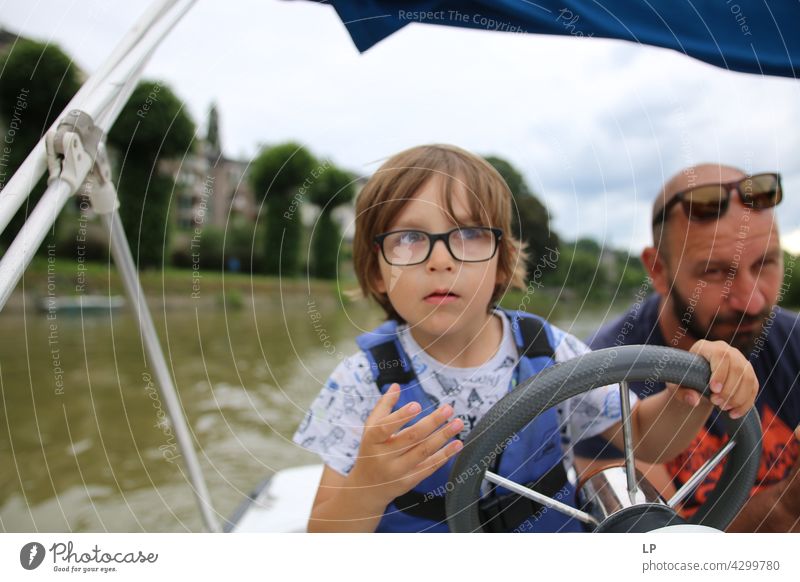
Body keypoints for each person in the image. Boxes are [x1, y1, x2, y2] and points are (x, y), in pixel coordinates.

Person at [292, 145, 757, 533]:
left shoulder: (547, 350)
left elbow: (645, 440)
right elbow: (322, 538)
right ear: (377, 270)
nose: (440, 260)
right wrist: (368, 483)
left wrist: (685, 395)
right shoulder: (361, 385)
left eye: (469, 234)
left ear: (502, 261)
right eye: (409, 237)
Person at [574, 163, 800, 532]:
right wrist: (789, 502)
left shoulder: (794, 341)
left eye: (766, 264)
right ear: (658, 270)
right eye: (715, 272)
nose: (753, 300)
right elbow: (659, 554)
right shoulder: (600, 379)